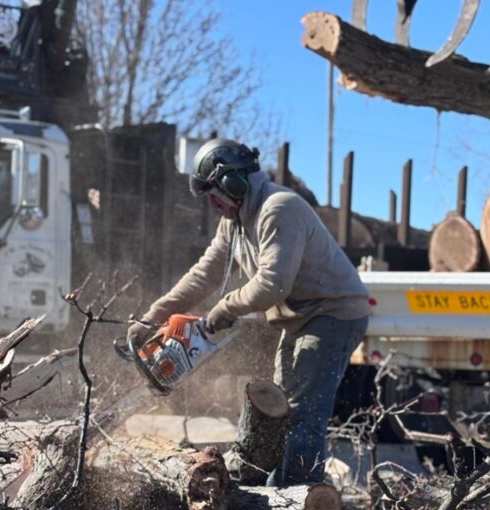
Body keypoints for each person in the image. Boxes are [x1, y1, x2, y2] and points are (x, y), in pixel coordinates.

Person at [128, 139, 371, 486]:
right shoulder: (235, 220)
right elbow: (205, 274)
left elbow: (273, 284)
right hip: (301, 316)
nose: (212, 204)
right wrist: (153, 317)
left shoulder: (278, 208)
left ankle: (297, 503)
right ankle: (271, 487)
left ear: (233, 181)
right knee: (279, 409)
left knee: (302, 414)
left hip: (332, 314)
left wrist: (224, 309)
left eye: (213, 193)